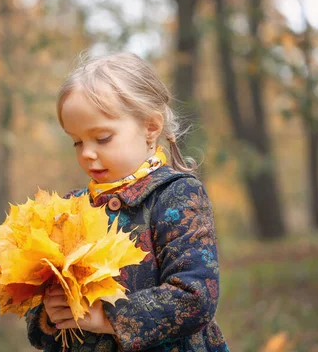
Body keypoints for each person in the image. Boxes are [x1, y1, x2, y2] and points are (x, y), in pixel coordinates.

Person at [25, 52, 229, 351]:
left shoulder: (176, 195)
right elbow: (39, 295)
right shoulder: (70, 208)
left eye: (102, 138)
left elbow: (196, 296)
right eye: (77, 142)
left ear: (150, 127)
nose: (87, 154)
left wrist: (108, 317)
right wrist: (49, 312)